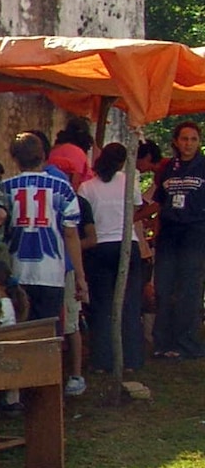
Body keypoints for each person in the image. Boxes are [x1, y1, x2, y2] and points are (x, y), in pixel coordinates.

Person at [3, 131, 87, 394]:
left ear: (14, 158)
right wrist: (81, 277)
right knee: (49, 334)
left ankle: (15, 392)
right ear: (44, 155)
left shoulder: (6, 188)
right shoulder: (62, 188)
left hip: (16, 271)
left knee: (16, 332)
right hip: (51, 272)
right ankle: (46, 389)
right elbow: (71, 233)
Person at [82, 142, 147, 374]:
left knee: (101, 305)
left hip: (99, 247)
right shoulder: (129, 180)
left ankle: (102, 360)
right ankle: (130, 358)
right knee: (129, 304)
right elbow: (137, 205)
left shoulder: (87, 187)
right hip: (126, 244)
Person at [152, 121, 205, 360]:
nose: (189, 144)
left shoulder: (203, 166)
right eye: (184, 139)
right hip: (169, 234)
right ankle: (162, 342)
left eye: (193, 139)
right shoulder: (167, 168)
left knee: (189, 290)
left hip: (194, 233)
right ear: (176, 141)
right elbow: (159, 201)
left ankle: (186, 343)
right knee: (164, 287)